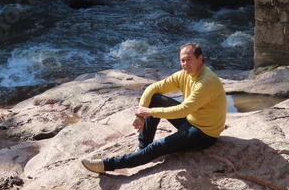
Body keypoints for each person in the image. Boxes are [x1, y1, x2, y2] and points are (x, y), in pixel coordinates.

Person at [81, 43, 227, 173]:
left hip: (203, 134)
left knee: (158, 147)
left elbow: (184, 109)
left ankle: (106, 165)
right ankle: (143, 146)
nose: (185, 64)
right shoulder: (185, 75)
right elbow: (153, 88)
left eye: (189, 59)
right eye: (182, 60)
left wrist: (149, 112)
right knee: (155, 99)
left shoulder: (206, 82)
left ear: (200, 59)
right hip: (190, 120)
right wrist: (140, 114)